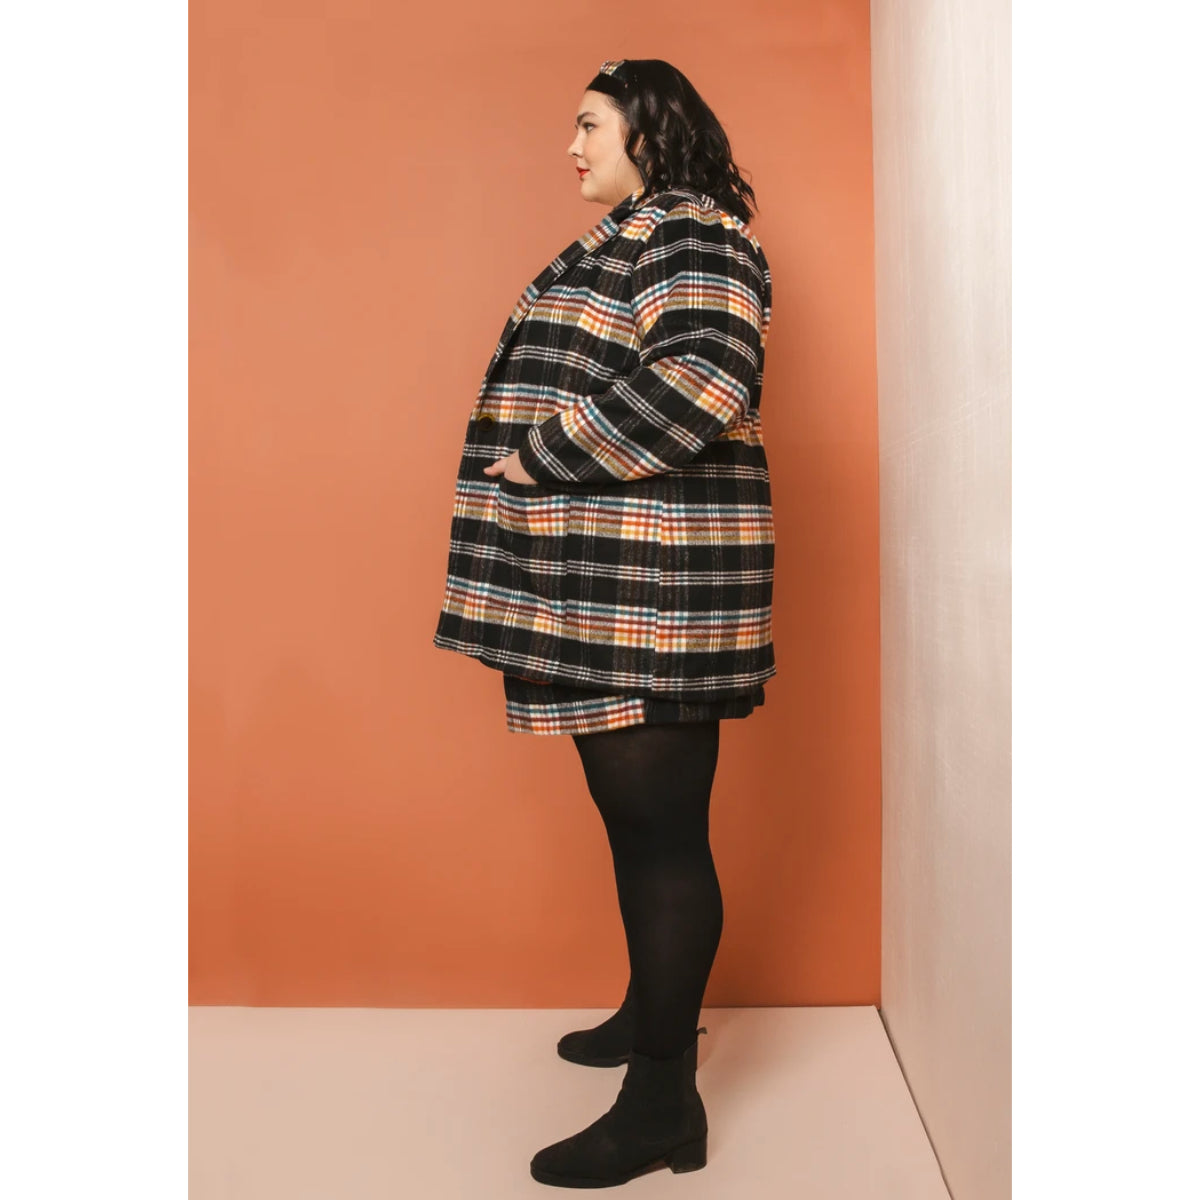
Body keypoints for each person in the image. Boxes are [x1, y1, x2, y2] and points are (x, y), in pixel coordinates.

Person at [432, 57, 776, 1187]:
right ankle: (650, 1012)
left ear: (649, 128)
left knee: (663, 837)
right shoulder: (640, 234)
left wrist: (540, 454)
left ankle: (665, 1106)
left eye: (589, 124)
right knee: (637, 828)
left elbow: (704, 379)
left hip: (657, 595)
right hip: (622, 587)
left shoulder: (691, 230)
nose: (572, 146)